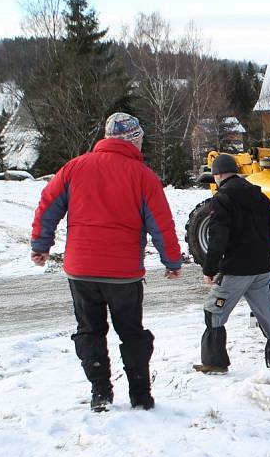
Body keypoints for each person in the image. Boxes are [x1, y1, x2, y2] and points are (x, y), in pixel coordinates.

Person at [31, 112, 182, 412]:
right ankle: (140, 395)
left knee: (89, 330)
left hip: (81, 269)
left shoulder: (75, 168)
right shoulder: (144, 177)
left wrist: (41, 244)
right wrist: (172, 261)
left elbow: (48, 205)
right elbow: (161, 224)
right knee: (131, 332)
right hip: (123, 274)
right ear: (134, 140)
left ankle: (100, 392)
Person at [194, 154, 270, 374]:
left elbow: (217, 237)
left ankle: (214, 362)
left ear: (218, 175)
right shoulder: (260, 196)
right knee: (267, 316)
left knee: (213, 311)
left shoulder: (221, 199)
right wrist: (266, 254)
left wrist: (210, 269)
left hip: (236, 270)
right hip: (262, 268)